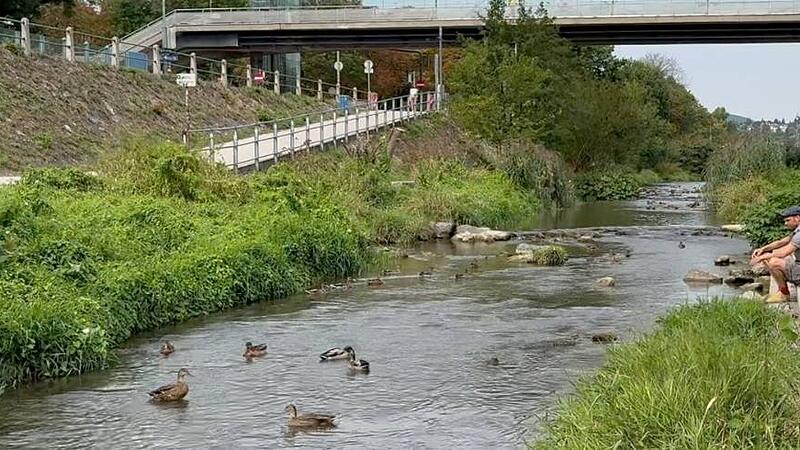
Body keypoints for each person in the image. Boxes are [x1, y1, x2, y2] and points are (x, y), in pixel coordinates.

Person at [750, 205, 800, 303]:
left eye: (788, 220)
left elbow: (785, 251)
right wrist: (763, 249)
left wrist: (762, 257)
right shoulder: (797, 231)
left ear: (797, 218)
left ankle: (784, 294)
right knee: (773, 259)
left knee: (774, 263)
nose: (785, 224)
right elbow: (782, 242)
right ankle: (782, 291)